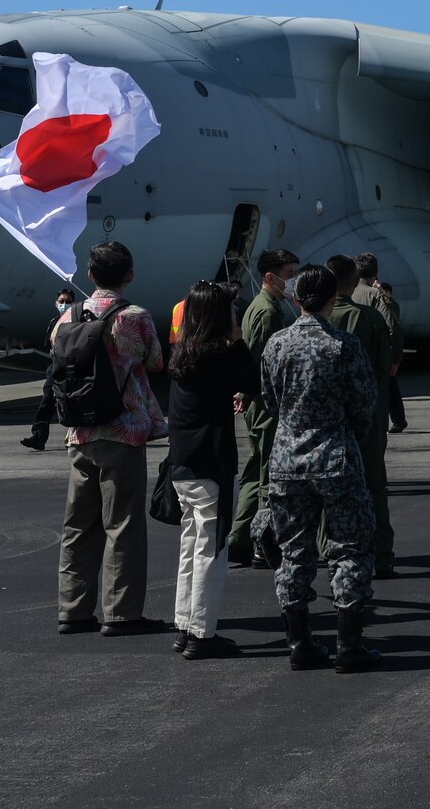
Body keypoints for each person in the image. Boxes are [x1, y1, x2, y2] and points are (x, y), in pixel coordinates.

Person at [261, 263, 381, 673]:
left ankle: (299, 643)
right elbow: (364, 406)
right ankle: (349, 645)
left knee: (293, 553)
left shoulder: (276, 345)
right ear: (333, 299)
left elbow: (270, 399)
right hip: (335, 457)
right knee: (349, 549)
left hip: (287, 460)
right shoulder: (344, 345)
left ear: (297, 299)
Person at [54, 240, 166, 636]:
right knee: (122, 525)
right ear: (129, 275)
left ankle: (73, 609)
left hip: (80, 431)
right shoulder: (134, 316)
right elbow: (155, 362)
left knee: (78, 526)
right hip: (123, 430)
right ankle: (121, 613)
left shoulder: (67, 316)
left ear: (89, 275)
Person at [165, 279, 261, 659]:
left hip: (183, 461)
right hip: (211, 462)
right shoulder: (214, 354)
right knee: (211, 549)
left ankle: (185, 625)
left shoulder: (184, 352)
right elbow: (253, 381)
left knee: (190, 547)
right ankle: (202, 633)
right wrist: (237, 340)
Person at [228, 249, 299, 567]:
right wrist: (246, 390)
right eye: (289, 272)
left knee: (257, 471)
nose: (292, 279)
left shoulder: (262, 306)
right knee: (268, 473)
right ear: (271, 277)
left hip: (258, 400)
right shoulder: (268, 311)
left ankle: (240, 539)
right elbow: (258, 359)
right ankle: (261, 542)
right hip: (266, 403)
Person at [328, 254, 396, 578]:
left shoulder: (316, 321)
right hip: (368, 417)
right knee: (373, 485)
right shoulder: (371, 317)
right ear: (356, 282)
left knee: (329, 490)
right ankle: (380, 555)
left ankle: (331, 554)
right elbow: (386, 365)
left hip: (329, 421)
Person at [352, 254, 408, 434]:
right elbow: (393, 325)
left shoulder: (345, 293)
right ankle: (396, 420)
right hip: (375, 356)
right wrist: (395, 357)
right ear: (376, 273)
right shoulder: (376, 295)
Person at [20, 288, 77, 450]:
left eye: (68, 301)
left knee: (73, 403)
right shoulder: (54, 323)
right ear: (56, 303)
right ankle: (38, 437)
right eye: (61, 301)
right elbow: (49, 348)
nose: (64, 304)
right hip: (54, 368)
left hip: (71, 368)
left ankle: (75, 437)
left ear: (74, 303)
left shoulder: (77, 322)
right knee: (47, 402)